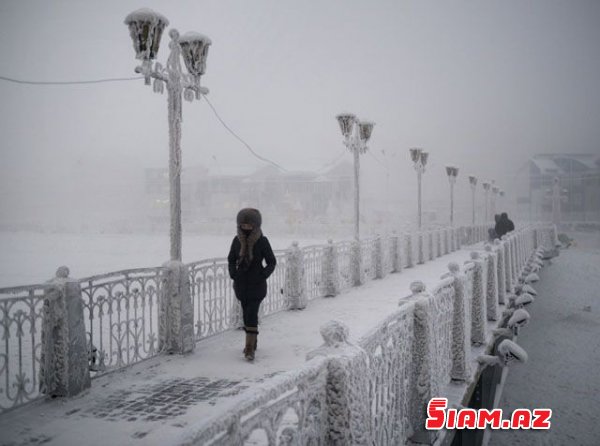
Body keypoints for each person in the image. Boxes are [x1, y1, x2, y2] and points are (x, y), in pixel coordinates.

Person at [227, 208, 276, 361]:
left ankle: (249, 348)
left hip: (256, 285)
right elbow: (231, 259)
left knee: (251, 314)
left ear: (256, 225)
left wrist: (262, 275)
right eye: (244, 225)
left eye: (249, 224)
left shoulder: (262, 241)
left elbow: (271, 262)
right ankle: (253, 342)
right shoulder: (237, 241)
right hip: (241, 285)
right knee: (246, 315)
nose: (246, 227)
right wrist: (233, 274)